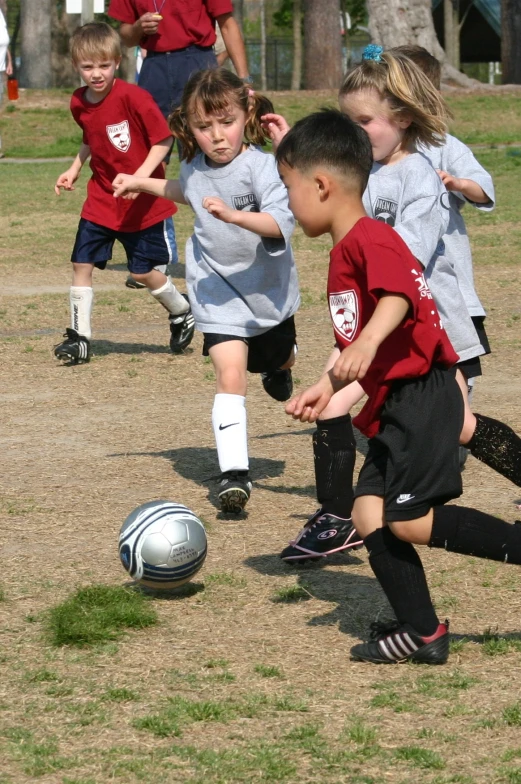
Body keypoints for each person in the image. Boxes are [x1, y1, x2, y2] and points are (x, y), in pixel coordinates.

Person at [277, 109, 521, 665]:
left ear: (321, 185)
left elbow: (397, 300)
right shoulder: (344, 254)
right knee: (368, 514)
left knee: (408, 519)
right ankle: (424, 631)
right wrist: (325, 386)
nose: (287, 202)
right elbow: (355, 340)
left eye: (288, 188)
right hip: (392, 405)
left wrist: (367, 344)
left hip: (423, 396)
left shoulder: (372, 238)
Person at [273, 47, 487, 564]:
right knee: (332, 405)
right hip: (377, 328)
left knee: (463, 427)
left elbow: (399, 260)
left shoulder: (419, 177)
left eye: (364, 121)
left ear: (403, 117)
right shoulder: (356, 174)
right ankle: (337, 513)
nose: (356, 132)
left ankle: (348, 513)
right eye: (348, 121)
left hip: (431, 326)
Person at [112, 68, 300, 514]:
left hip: (268, 294)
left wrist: (236, 217)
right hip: (216, 290)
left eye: (226, 123)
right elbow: (189, 190)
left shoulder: (262, 167)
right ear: (189, 127)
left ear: (247, 113)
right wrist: (140, 182)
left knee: (280, 355)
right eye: (204, 127)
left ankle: (280, 365)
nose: (217, 136)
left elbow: (280, 223)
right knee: (229, 374)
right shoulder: (195, 166)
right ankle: (234, 476)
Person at [53, 22, 195, 365]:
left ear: (118, 61)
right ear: (76, 66)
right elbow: (91, 137)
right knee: (81, 263)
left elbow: (163, 140)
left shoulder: (135, 98)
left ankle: (181, 311)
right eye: (88, 67)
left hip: (143, 203)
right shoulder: (78, 102)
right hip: (101, 199)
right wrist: (74, 167)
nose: (96, 74)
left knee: (143, 272)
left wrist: (139, 179)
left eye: (103, 65)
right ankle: (80, 338)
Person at [390, 45, 495, 466]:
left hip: (448, 285)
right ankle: (421, 434)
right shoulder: (376, 150)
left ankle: (456, 432)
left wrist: (458, 183)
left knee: (459, 365)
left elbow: (485, 189)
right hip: (401, 282)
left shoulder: (443, 144)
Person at [108, 0, 251, 291]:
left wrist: (244, 79)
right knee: (149, 163)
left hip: (197, 62)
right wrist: (137, 28)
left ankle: (232, 251)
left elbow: (227, 23)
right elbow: (124, 35)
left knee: (216, 158)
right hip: (154, 67)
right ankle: (156, 255)